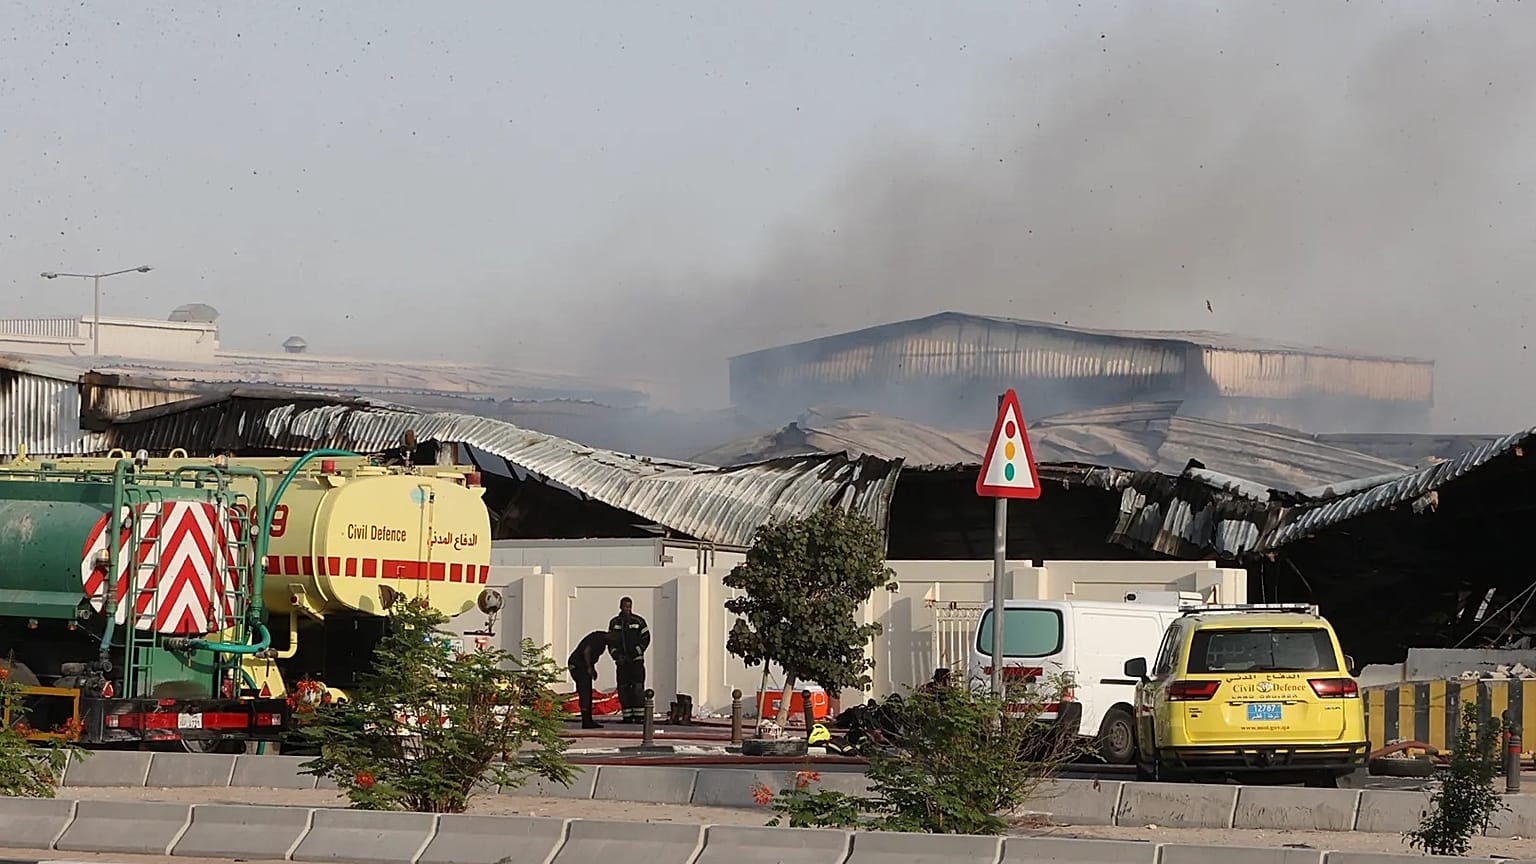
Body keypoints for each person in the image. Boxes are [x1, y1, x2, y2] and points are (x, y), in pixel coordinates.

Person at [607, 596, 651, 724]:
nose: (627, 609)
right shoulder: (614, 623)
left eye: (629, 607)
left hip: (636, 661)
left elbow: (646, 638)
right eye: (625, 607)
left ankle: (639, 716)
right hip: (622, 662)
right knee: (623, 688)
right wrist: (616, 656)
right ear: (620, 607)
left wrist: (637, 651)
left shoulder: (639, 621)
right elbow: (610, 642)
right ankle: (627, 716)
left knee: (637, 687)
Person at [567, 629, 613, 729]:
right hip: (579, 665)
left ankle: (587, 720)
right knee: (585, 692)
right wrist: (589, 668)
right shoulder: (599, 638)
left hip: (578, 665)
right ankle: (586, 721)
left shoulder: (601, 640)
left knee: (586, 692)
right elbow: (586, 651)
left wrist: (593, 669)